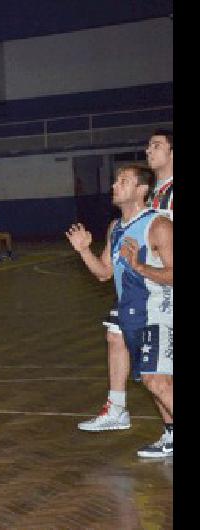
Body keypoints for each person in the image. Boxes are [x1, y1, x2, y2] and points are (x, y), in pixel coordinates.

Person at [66, 164, 173, 458]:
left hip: (160, 313)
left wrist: (139, 266)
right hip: (131, 314)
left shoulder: (158, 225)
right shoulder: (116, 228)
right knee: (156, 382)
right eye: (115, 181)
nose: (115, 185)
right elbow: (103, 273)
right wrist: (84, 251)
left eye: (123, 181)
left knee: (156, 380)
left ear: (141, 189)